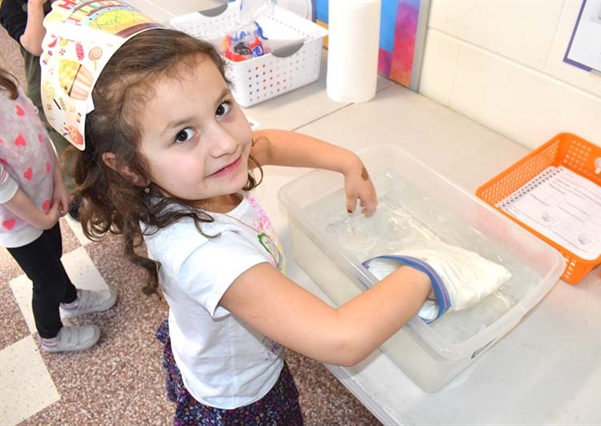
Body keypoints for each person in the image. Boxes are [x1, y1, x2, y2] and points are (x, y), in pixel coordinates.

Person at [47, 26, 434, 423]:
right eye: (184, 134)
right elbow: (342, 339)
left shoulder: (189, 174)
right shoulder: (207, 253)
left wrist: (346, 162)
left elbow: (266, 143)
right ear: (129, 166)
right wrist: (425, 272)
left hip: (210, 356)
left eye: (221, 108)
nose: (226, 143)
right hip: (240, 399)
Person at [0, 65, 117, 352]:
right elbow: (3, 188)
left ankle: (71, 298)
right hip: (19, 221)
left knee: (53, 256)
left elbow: (39, 135)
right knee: (46, 281)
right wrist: (40, 219)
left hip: (44, 200)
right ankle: (50, 335)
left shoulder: (6, 87)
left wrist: (58, 184)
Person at [0, 0, 81, 217]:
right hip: (48, 88)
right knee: (66, 146)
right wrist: (35, 4)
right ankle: (76, 194)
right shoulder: (10, 7)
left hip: (81, 77)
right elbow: (35, 44)